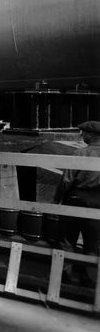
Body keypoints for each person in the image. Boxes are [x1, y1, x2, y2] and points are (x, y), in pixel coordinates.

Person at [54, 120, 100, 286]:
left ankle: (63, 276)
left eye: (84, 132)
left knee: (67, 238)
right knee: (92, 240)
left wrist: (56, 199)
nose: (81, 135)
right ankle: (89, 277)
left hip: (76, 198)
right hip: (97, 201)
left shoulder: (80, 153)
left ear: (91, 135)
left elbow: (66, 180)